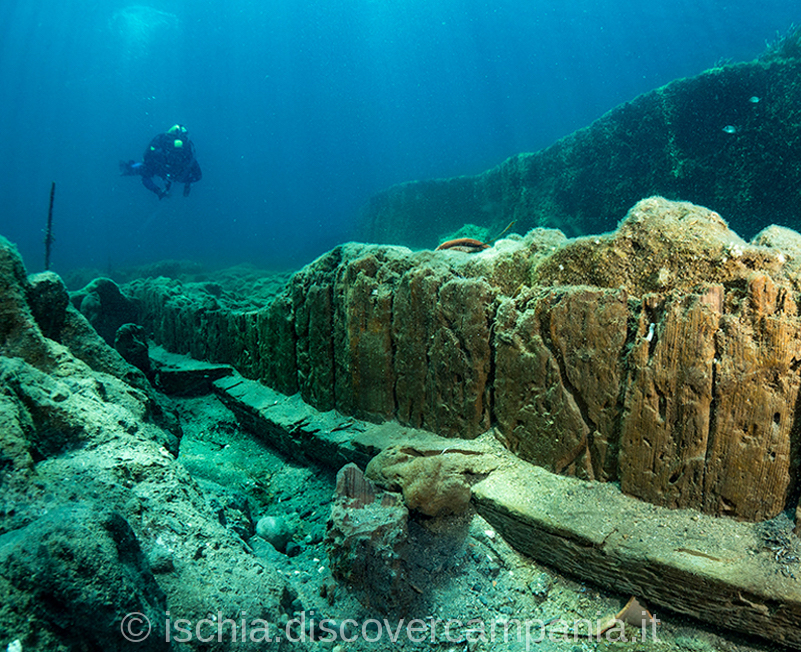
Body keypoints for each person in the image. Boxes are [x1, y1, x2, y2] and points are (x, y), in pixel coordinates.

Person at [120, 124, 202, 199]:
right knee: (143, 171)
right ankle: (131, 167)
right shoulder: (161, 141)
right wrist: (158, 191)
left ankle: (184, 183)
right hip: (161, 167)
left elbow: (196, 171)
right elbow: (148, 160)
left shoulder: (186, 148)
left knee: (191, 176)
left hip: (175, 171)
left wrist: (188, 181)